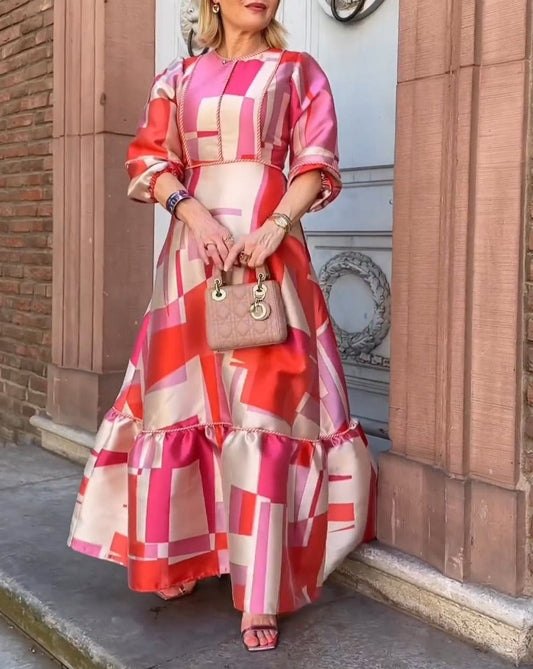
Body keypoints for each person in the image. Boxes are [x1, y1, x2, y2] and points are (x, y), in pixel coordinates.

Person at [68, 0, 376, 653]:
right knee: (182, 399)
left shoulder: (298, 71)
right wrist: (193, 214)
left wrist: (277, 224)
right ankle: (179, 551)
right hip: (191, 258)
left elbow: (314, 162)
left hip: (268, 255)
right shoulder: (175, 79)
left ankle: (258, 592)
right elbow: (150, 161)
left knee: (263, 411)